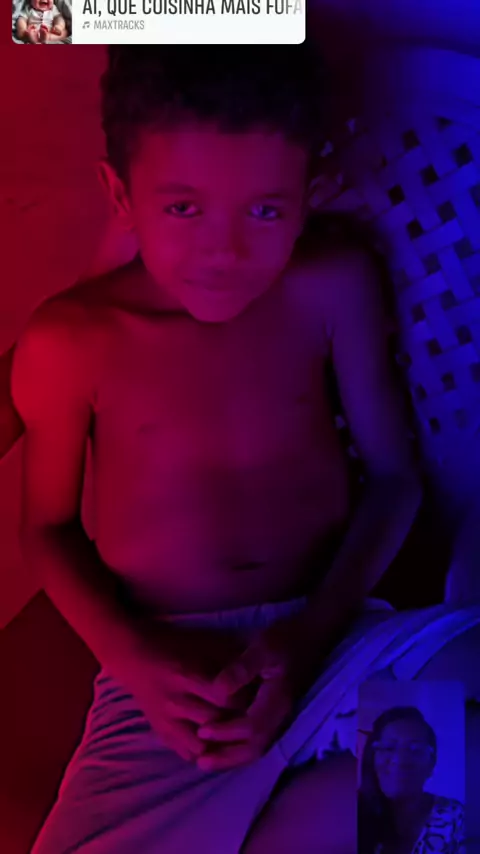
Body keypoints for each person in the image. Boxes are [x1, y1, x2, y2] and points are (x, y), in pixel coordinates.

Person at [5, 46, 480, 853]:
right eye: (183, 208)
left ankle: (321, 806)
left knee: (466, 702)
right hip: (175, 686)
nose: (223, 253)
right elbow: (48, 528)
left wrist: (309, 639)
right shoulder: (71, 341)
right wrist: (138, 664)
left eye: (263, 211)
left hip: (340, 639)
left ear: (310, 193)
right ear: (120, 196)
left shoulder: (333, 285)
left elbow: (393, 478)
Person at [358, 706, 465, 854]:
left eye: (415, 749)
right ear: (372, 757)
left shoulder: (455, 818)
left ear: (431, 762)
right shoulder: (349, 815)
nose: (400, 760)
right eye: (388, 748)